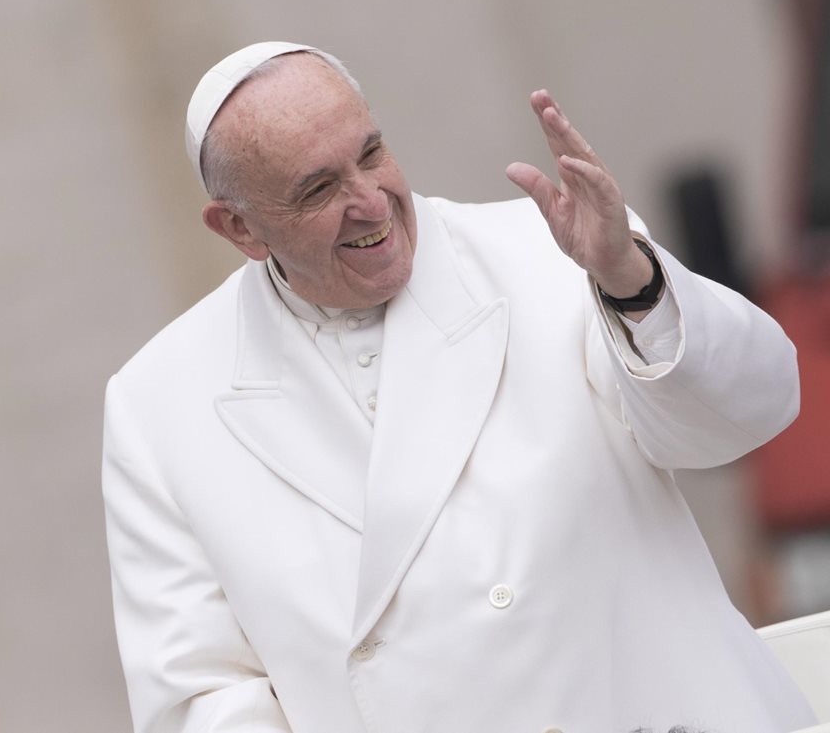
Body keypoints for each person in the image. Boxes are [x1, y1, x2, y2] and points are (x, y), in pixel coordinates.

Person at [101, 41, 817, 733]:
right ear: (239, 228)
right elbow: (202, 696)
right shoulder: (158, 405)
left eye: (371, 154)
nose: (372, 204)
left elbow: (750, 413)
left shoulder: (558, 252)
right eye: (319, 188)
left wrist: (633, 281)